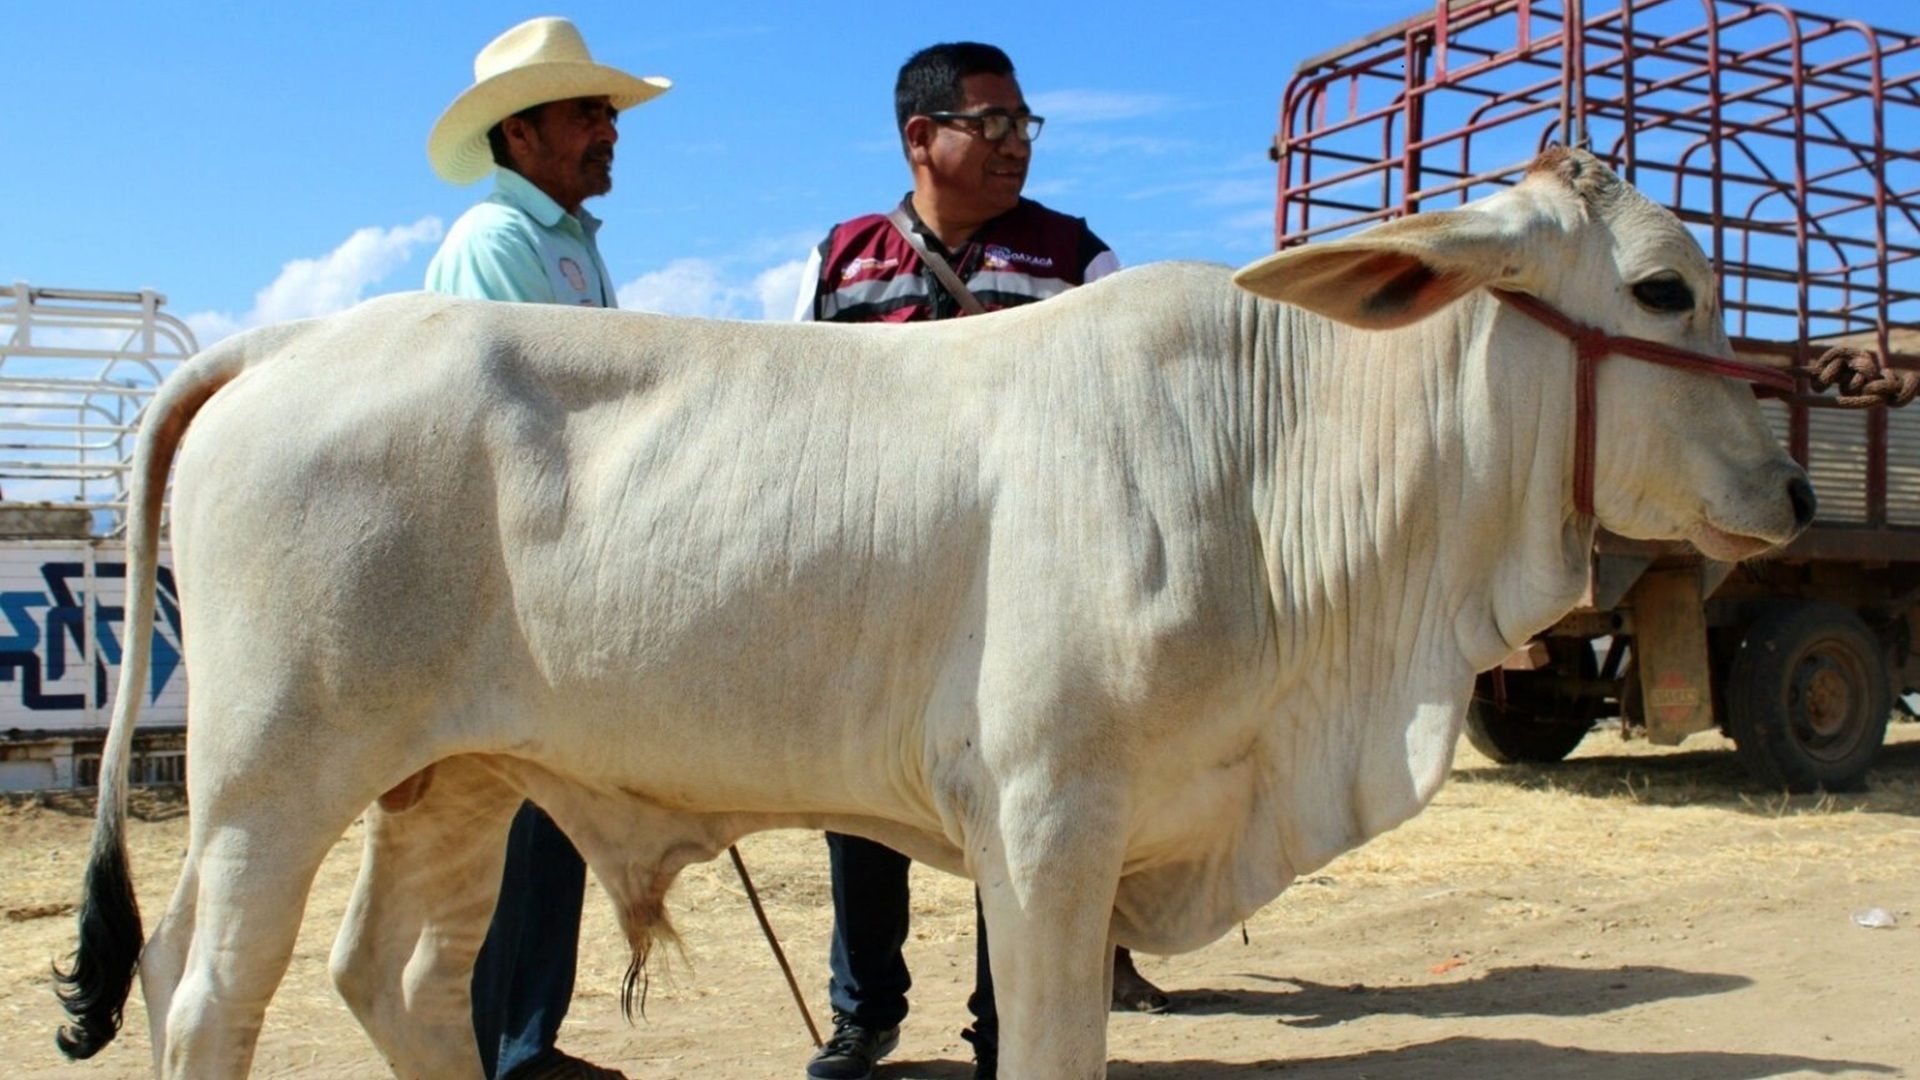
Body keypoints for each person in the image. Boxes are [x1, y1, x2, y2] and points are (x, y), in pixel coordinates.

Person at [792, 41, 1167, 1080]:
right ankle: (865, 1015)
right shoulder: (847, 258)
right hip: (881, 594)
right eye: (991, 123)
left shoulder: (1078, 261)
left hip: (1035, 604)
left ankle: (1010, 1031)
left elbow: (1129, 425)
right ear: (922, 138)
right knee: (858, 806)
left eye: (1023, 124)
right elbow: (809, 426)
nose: (1014, 145)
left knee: (1026, 817)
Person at [422, 16, 669, 1080]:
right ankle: (504, 1048)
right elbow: (515, 427)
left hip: (566, 571)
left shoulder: (566, 242)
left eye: (606, 110)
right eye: (586, 112)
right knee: (515, 825)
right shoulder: (496, 245)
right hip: (512, 581)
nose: (608, 128)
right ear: (520, 134)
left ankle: (527, 1037)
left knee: (553, 821)